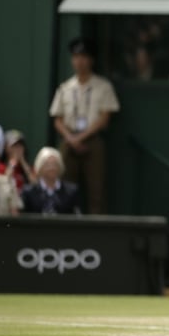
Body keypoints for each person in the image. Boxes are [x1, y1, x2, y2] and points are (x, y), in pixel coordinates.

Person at [49, 36, 121, 214]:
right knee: (64, 185)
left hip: (92, 140)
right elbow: (57, 119)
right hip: (69, 139)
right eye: (75, 57)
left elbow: (105, 118)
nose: (79, 61)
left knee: (96, 189)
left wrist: (80, 138)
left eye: (83, 56)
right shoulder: (65, 87)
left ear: (91, 59)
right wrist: (70, 138)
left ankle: (96, 229)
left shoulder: (103, 86)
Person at [20, 146, 81, 215]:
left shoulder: (71, 191)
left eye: (55, 164)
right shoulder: (29, 192)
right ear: (40, 167)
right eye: (47, 164)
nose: (51, 167)